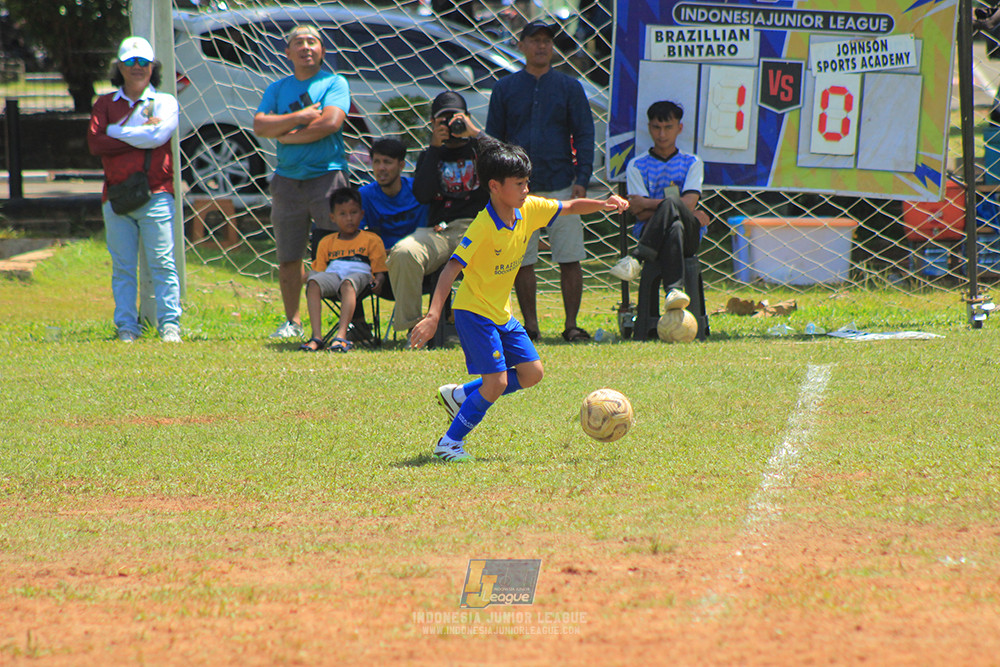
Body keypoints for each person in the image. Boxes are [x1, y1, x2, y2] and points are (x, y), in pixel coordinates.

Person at [409, 142, 628, 462]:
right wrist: (432, 316)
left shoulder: (528, 209)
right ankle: (449, 443)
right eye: (519, 184)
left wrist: (603, 204)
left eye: (527, 182)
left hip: (501, 312)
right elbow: (450, 269)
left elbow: (569, 206)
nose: (526, 189)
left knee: (531, 373)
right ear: (495, 186)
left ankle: (460, 395)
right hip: (474, 312)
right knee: (496, 383)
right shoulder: (483, 226)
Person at [486, 18, 596, 343]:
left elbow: (585, 134)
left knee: (570, 256)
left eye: (547, 40)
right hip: (517, 190)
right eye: (534, 40)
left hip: (562, 184)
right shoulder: (505, 88)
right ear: (521, 45)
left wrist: (582, 178)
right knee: (522, 261)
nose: (541, 46)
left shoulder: (569, 87)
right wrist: (499, 186)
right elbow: (494, 140)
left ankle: (572, 325)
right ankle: (530, 327)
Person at [253, 24, 351, 340]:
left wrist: (287, 136)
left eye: (312, 42)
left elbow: (331, 122)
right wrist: (299, 117)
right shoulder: (277, 88)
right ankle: (292, 322)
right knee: (289, 256)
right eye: (298, 42)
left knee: (339, 253)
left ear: (322, 51)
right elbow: (260, 126)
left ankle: (346, 323)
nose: (306, 47)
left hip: (328, 177)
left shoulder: (334, 82)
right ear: (288, 52)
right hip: (287, 182)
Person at [87, 36, 182, 343]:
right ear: (119, 67)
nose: (137, 67)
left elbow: (157, 137)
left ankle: (170, 325)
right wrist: (139, 134)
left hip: (157, 193)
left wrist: (115, 131)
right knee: (123, 267)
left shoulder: (165, 101)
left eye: (143, 62)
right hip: (116, 196)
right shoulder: (105, 104)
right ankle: (126, 326)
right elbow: (96, 143)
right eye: (130, 61)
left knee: (163, 263)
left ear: (153, 66)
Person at [392, 91, 495, 339]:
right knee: (404, 253)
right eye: (443, 119)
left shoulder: (481, 149)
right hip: (439, 231)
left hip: (476, 228)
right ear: (432, 123)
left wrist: (475, 133)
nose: (450, 124)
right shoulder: (430, 154)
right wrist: (434, 148)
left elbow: (507, 161)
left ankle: (487, 328)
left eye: (456, 117)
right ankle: (414, 330)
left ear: (468, 117)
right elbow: (422, 195)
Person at [619, 100, 706, 312]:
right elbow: (640, 215)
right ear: (649, 127)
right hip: (650, 231)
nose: (662, 134)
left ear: (679, 128)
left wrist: (647, 203)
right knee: (674, 225)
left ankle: (638, 256)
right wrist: (681, 207)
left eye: (668, 127)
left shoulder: (692, 162)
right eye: (657, 127)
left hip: (689, 237)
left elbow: (689, 203)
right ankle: (674, 291)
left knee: (674, 205)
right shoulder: (637, 165)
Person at [301, 187, 387, 353]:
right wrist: (308, 277)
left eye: (353, 213)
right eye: (342, 214)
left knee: (348, 283)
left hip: (361, 276)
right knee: (313, 283)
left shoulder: (371, 239)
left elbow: (379, 270)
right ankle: (316, 336)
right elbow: (319, 271)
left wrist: (379, 281)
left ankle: (341, 336)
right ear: (333, 217)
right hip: (333, 275)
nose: (349, 218)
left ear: (361, 214)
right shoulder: (326, 242)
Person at [358, 137, 428, 252]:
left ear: (401, 165)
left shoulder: (419, 189)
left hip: (418, 252)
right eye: (376, 162)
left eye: (387, 162)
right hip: (381, 257)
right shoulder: (364, 195)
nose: (381, 168)